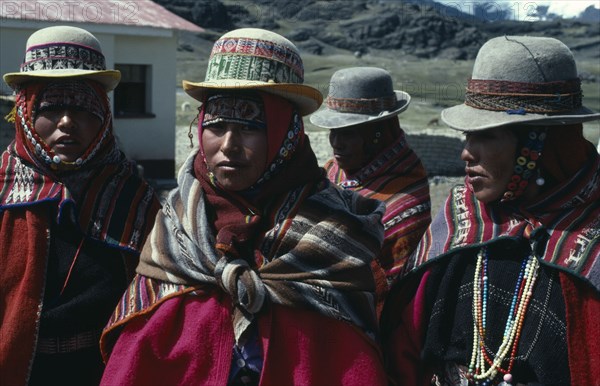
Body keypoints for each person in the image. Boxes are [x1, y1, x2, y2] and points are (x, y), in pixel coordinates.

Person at [100, 28, 389, 385]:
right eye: (217, 126)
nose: (229, 145)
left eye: (251, 128)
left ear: (287, 135)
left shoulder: (336, 233)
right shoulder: (177, 227)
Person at [381, 35, 600, 386]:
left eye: (487, 135)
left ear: (536, 142)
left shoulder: (591, 236)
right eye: (468, 135)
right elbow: (405, 343)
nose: (467, 153)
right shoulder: (461, 217)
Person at [0, 26, 160, 385]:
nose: (67, 123)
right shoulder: (2, 192)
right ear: (24, 112)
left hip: (108, 371)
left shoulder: (135, 199)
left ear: (104, 115)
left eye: (84, 108)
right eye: (51, 107)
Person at [310, 67, 431, 283]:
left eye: (347, 133)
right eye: (333, 132)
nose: (336, 143)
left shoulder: (406, 195)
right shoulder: (331, 173)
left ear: (377, 134)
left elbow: (397, 281)